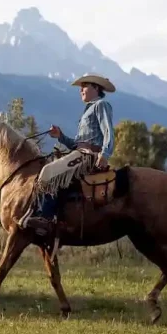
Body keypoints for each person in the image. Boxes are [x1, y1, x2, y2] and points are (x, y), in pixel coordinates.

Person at [21, 73, 116, 236]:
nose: (81, 90)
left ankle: (45, 218)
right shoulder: (89, 109)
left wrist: (105, 153)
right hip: (81, 151)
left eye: (84, 86)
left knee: (49, 171)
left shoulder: (101, 105)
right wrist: (60, 136)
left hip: (89, 156)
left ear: (96, 88)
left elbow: (108, 131)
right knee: (47, 168)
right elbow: (78, 144)